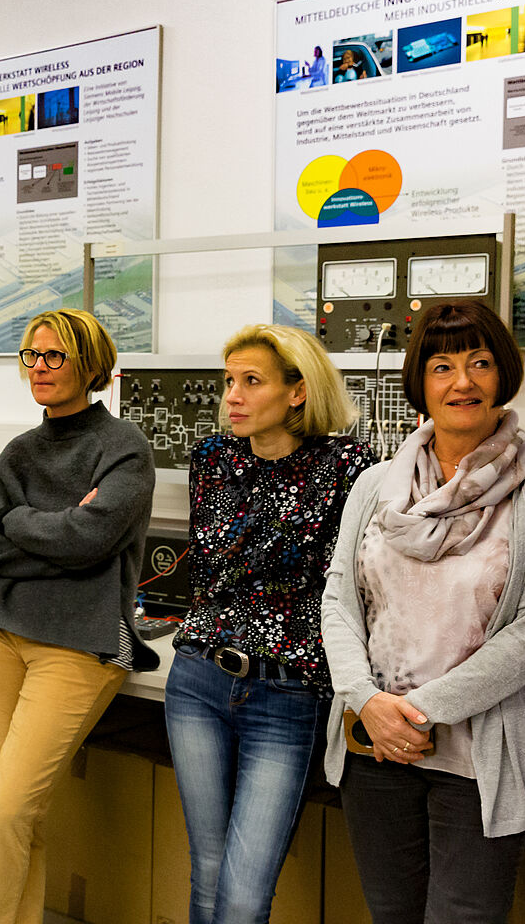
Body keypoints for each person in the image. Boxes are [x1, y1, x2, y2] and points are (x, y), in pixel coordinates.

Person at [321, 300, 525, 923]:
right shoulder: (374, 486)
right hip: (374, 746)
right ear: (421, 382)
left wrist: (416, 711)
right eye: (442, 366)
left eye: (479, 363)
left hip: (476, 757)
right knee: (391, 914)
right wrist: (365, 699)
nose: (462, 382)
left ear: (502, 375)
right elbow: (339, 600)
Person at [0, 309, 157, 924]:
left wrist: (21, 526)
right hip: (2, 635)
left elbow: (89, 542)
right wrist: (52, 531)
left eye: (55, 357)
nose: (39, 368)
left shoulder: (124, 448)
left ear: (90, 366)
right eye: (31, 357)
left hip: (80, 644)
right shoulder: (20, 451)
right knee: (15, 814)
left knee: (8, 811)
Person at [166, 323, 374, 924]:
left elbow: (350, 584)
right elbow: (207, 572)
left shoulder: (348, 467)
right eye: (228, 381)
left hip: (288, 693)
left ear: (298, 391)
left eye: (251, 382)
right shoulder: (212, 459)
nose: (231, 395)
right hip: (199, 679)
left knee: (244, 895)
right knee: (206, 872)